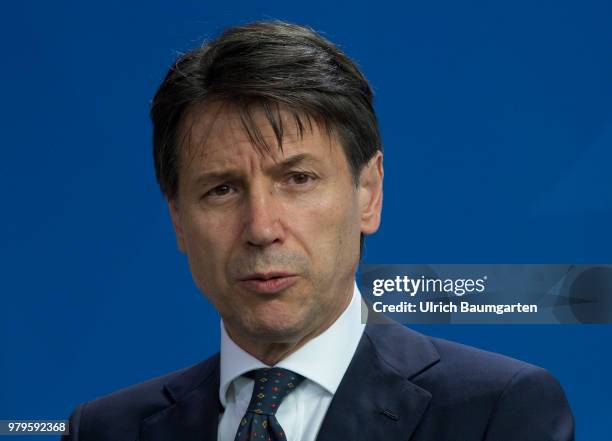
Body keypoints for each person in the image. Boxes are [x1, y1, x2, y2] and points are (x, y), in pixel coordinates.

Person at [63, 21, 574, 441]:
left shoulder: (498, 412)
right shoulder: (105, 430)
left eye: (298, 179)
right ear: (178, 218)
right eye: (221, 189)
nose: (261, 228)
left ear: (368, 192)